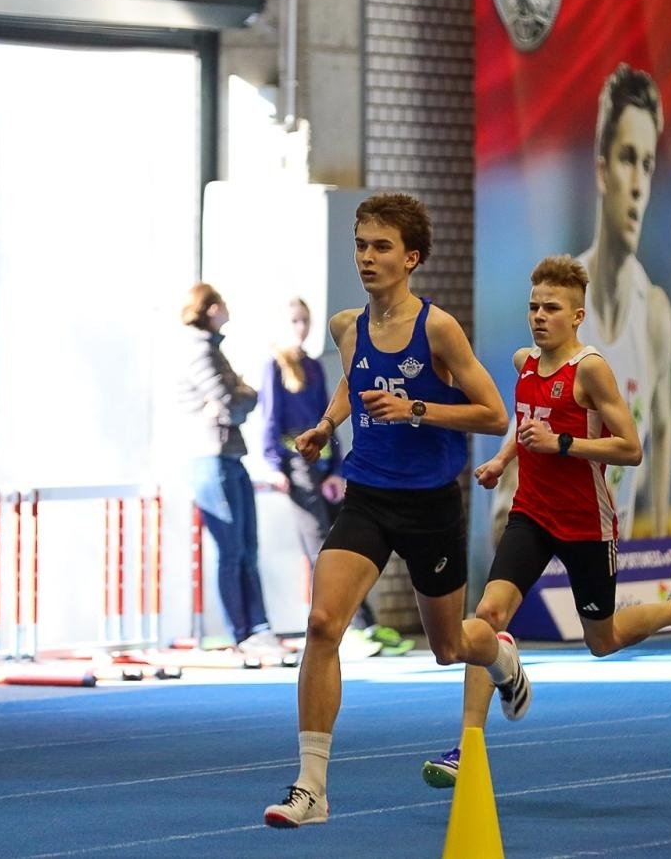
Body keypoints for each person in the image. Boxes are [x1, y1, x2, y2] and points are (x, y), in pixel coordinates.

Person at [262, 193, 518, 829]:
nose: (367, 257)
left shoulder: (438, 328)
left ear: (412, 258)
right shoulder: (346, 325)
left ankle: (502, 655)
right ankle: (312, 788)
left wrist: (417, 411)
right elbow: (355, 378)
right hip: (368, 496)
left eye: (381, 247)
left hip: (430, 503)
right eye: (360, 244)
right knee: (323, 623)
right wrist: (326, 424)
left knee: (450, 644)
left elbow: (494, 414)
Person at [421, 255, 671, 788]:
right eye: (533, 306)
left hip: (587, 522)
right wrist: (502, 459)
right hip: (532, 514)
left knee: (601, 640)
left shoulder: (589, 369)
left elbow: (630, 449)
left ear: (577, 316)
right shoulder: (523, 363)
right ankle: (468, 743)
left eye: (552, 308)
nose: (539, 317)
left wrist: (565, 444)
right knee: (489, 612)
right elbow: (525, 421)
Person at [261, 297, 412, 656]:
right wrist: (273, 464)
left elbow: (329, 418)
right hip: (295, 467)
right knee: (322, 551)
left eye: (305, 321)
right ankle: (351, 627)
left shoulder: (313, 367)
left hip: (321, 464)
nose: (301, 328)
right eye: (294, 321)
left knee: (344, 547)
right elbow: (270, 421)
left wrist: (335, 471)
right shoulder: (274, 366)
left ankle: (367, 624)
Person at [575, 63, 671, 538]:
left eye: (648, 165)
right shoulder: (563, 295)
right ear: (601, 170)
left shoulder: (654, 312)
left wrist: (658, 543)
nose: (638, 184)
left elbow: (661, 425)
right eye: (627, 159)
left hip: (618, 555)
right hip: (558, 544)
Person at [179, 283, 280, 653]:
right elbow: (233, 401)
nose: (227, 310)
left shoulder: (213, 351)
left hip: (230, 456)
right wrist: (239, 396)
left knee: (248, 546)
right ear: (209, 309)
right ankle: (242, 631)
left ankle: (258, 627)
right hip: (210, 459)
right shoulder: (199, 352)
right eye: (221, 304)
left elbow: (241, 398)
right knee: (232, 548)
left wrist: (240, 395)